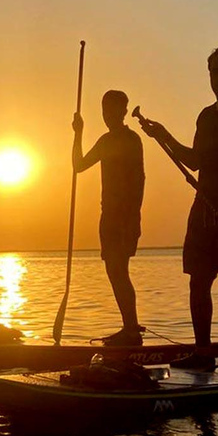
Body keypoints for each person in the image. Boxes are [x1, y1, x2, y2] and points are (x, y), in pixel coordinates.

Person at [141, 44, 218, 380]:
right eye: (215, 71)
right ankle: (203, 353)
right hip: (203, 212)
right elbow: (196, 161)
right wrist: (163, 135)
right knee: (199, 283)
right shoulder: (205, 117)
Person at [72, 90, 145, 346]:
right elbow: (78, 165)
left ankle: (131, 329)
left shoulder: (131, 139)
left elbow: (139, 181)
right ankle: (130, 327)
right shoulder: (104, 141)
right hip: (109, 216)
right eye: (104, 111)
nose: (108, 116)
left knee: (119, 270)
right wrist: (78, 133)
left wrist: (134, 218)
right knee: (114, 271)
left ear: (123, 112)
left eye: (113, 111)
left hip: (125, 217)